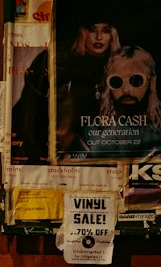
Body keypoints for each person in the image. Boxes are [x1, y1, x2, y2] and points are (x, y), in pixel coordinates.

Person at [12, 18, 121, 162]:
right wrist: (37, 154)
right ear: (82, 33)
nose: (99, 37)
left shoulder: (121, 68)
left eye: (106, 31)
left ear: (113, 35)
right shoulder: (54, 60)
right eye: (92, 29)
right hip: (52, 154)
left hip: (98, 155)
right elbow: (30, 111)